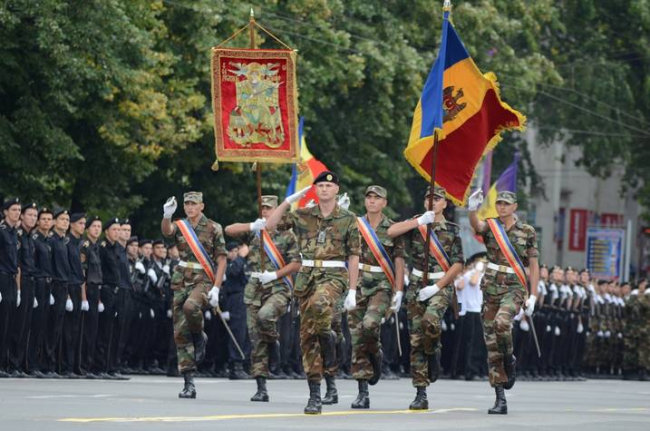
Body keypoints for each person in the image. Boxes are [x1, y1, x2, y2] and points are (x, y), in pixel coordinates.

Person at [265, 171, 361, 415]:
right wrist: (288, 201)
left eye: (329, 186)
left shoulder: (348, 218)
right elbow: (270, 225)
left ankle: (331, 339)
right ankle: (315, 395)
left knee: (320, 306)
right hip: (307, 278)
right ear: (316, 190)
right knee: (308, 338)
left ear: (336, 190)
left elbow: (353, 255)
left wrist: (352, 290)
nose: (324, 189)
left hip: (333, 276)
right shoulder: (304, 214)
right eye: (320, 186)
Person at [387, 185, 463, 410]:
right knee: (416, 340)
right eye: (429, 198)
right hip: (417, 285)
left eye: (437, 199)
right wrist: (419, 222)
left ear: (444, 204)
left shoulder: (452, 230)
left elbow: (458, 263)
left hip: (440, 285)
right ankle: (421, 392)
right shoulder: (416, 223)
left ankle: (434, 351)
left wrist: (437, 286)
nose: (432, 202)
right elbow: (391, 232)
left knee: (430, 321)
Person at [468, 189, 539, 415]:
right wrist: (472, 209)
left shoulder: (527, 231)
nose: (502, 207)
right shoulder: (491, 225)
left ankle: (509, 358)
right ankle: (500, 398)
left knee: (502, 323)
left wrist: (533, 295)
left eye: (506, 204)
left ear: (515, 206)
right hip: (491, 289)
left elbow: (534, 264)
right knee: (492, 345)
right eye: (499, 203)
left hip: (514, 288)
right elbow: (476, 226)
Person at [225, 195, 301, 402]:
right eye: (263, 208)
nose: (265, 212)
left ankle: (273, 342)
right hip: (254, 289)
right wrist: (252, 226)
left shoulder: (287, 234)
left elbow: (296, 263)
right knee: (255, 339)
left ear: (278, 210)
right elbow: (229, 230)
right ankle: (261, 387)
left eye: (269, 208)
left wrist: (275, 275)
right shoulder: (255, 231)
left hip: (278, 287)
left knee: (265, 316)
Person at [161, 191, 227, 399]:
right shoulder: (181, 225)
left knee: (191, 307)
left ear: (202, 206)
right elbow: (167, 231)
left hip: (203, 279)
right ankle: (188, 383)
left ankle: (199, 336)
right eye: (187, 204)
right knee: (180, 332)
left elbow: (222, 260)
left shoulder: (214, 227)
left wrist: (216, 287)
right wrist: (166, 215)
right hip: (181, 279)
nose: (190, 207)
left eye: (193, 204)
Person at [346, 185, 406, 409]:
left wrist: (399, 291)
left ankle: (376, 353)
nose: (372, 201)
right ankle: (363, 392)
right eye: (369, 197)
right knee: (356, 336)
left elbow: (399, 261)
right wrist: (350, 289)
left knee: (370, 325)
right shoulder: (354, 224)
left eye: (377, 198)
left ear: (384, 203)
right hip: (359, 282)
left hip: (382, 284)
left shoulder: (393, 228)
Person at [6, 202, 38, 377]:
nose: (32, 218)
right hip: (18, 281)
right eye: (29, 215)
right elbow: (17, 265)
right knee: (15, 325)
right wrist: (18, 289)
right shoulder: (16, 235)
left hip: (29, 282)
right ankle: (10, 363)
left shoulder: (29, 237)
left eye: (34, 215)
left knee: (25, 326)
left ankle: (18, 364)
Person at [27, 207, 54, 378]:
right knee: (34, 326)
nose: (46, 222)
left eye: (49, 219)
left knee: (42, 326)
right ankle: (30, 364)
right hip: (37, 283)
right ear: (38, 222)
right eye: (43, 219)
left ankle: (37, 363)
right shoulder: (35, 239)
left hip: (47, 284)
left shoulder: (47, 241)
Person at [0, 198, 21, 378]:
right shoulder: (2, 231)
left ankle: (5, 364)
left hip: (12, 279)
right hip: (2, 278)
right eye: (13, 209)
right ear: (5, 212)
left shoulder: (14, 233)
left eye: (18, 210)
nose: (17, 213)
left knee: (10, 323)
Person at [80, 215, 103, 378]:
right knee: (86, 331)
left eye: (99, 226)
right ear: (87, 229)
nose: (97, 229)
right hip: (87, 290)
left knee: (94, 330)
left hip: (96, 290)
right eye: (94, 226)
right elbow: (83, 272)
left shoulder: (97, 247)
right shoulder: (85, 246)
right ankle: (83, 366)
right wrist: (84, 297)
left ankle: (89, 365)